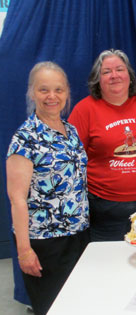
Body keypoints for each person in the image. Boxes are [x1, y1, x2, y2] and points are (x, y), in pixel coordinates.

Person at [6, 62, 89, 315]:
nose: (52, 97)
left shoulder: (71, 130)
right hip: (45, 242)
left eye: (58, 90)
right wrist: (24, 251)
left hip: (79, 234)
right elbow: (17, 198)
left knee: (79, 303)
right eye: (44, 90)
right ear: (32, 93)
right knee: (53, 308)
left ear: (66, 93)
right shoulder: (25, 138)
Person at [68, 49, 136, 241]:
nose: (114, 76)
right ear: (98, 79)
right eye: (106, 72)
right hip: (105, 209)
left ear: (129, 74)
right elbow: (72, 159)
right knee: (110, 264)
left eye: (119, 69)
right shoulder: (84, 109)